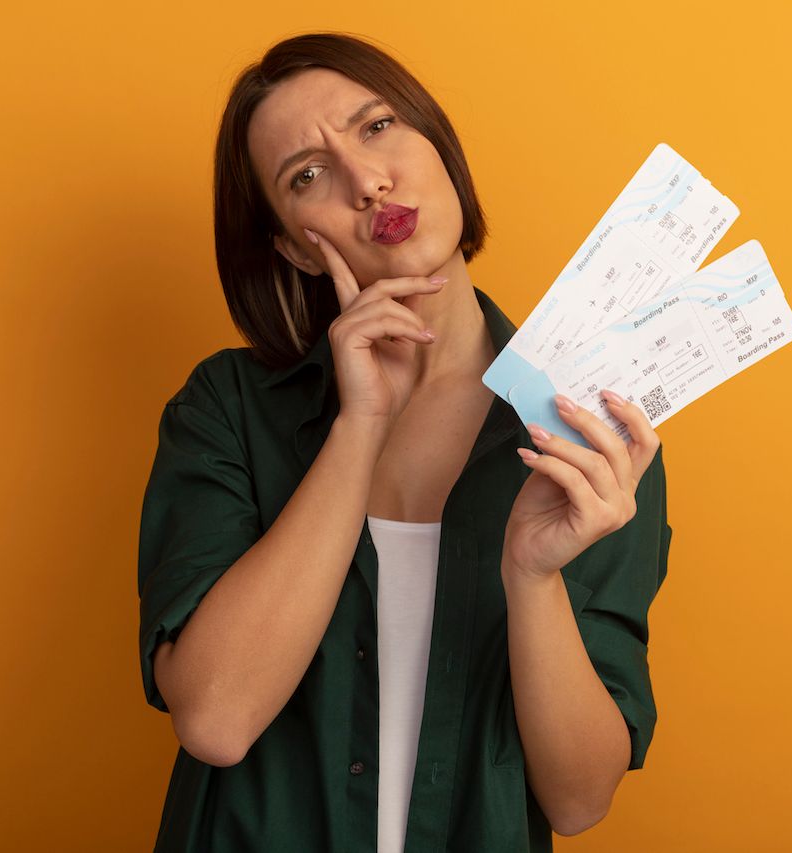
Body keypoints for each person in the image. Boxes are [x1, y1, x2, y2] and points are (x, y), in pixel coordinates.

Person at [136, 31, 674, 853]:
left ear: (441, 148)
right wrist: (360, 425)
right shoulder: (229, 408)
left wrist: (532, 577)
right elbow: (215, 719)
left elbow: (578, 799)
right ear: (290, 244)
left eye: (378, 127)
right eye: (307, 176)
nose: (366, 180)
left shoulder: (589, 427)